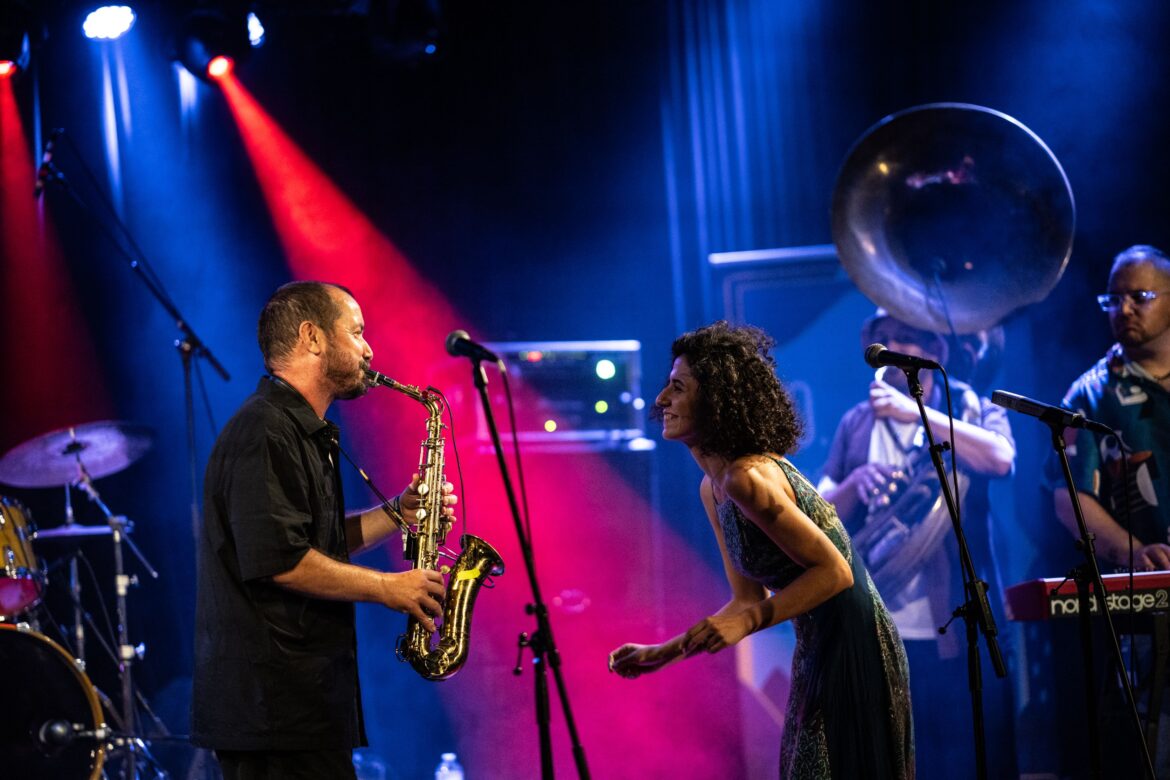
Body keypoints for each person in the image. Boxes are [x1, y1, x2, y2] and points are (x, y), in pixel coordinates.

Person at [607, 321, 913, 779]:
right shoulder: (715, 489)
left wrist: (749, 621)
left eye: (677, 387)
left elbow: (835, 572)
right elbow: (747, 599)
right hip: (817, 642)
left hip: (854, 640)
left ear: (716, 399)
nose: (661, 401)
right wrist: (664, 653)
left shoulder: (746, 478)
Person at [191, 281, 452, 780]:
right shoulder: (265, 430)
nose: (368, 348)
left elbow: (313, 542)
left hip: (300, 705)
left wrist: (400, 512)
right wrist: (389, 587)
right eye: (355, 331)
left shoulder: (300, 429)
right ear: (312, 337)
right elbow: (281, 561)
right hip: (273, 710)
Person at [816, 310, 1016, 779]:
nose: (889, 346)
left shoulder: (968, 406)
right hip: (882, 621)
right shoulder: (857, 421)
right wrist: (855, 483)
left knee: (962, 755)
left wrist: (916, 412)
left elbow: (1001, 458)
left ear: (936, 351)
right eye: (881, 337)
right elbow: (820, 508)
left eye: (904, 337)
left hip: (954, 619)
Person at [1053, 244, 1170, 570]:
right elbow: (1070, 497)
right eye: (1114, 300)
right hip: (1156, 584)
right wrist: (1134, 552)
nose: (1125, 309)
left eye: (1140, 297)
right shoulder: (1087, 395)